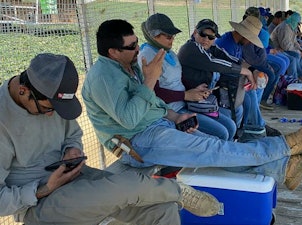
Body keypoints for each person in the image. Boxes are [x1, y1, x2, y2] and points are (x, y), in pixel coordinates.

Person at [82, 18, 302, 191]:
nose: (137, 49)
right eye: (131, 47)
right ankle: (283, 148)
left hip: (158, 127)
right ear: (113, 52)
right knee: (214, 150)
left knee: (215, 149)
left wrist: (175, 118)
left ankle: (284, 168)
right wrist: (151, 79)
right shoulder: (103, 76)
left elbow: (150, 102)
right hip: (137, 143)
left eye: (136, 44)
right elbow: (130, 118)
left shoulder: (128, 64)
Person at [0, 53, 221, 225]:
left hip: (77, 180)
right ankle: (177, 190)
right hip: (41, 203)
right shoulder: (3, 121)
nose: (51, 115)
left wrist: (72, 149)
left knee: (161, 209)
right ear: (23, 91)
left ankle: (168, 193)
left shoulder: (51, 103)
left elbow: (73, 134)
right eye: (48, 109)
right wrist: (45, 188)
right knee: (127, 185)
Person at [137, 13, 236, 141]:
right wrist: (185, 95)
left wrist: (195, 90)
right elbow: (154, 93)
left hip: (186, 104)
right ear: (154, 35)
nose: (172, 39)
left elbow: (178, 77)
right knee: (222, 133)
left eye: (173, 36)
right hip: (171, 112)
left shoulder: (168, 52)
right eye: (168, 36)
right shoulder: (148, 56)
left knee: (231, 126)